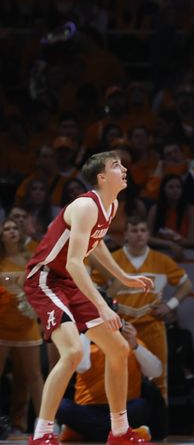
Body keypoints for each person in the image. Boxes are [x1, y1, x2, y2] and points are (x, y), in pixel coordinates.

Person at [22, 151, 155, 445]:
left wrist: (123, 277)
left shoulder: (112, 204)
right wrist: (102, 306)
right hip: (46, 279)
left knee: (119, 349)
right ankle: (42, 434)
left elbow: (94, 245)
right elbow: (72, 262)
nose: (123, 168)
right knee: (71, 353)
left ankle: (119, 432)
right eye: (116, 165)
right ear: (102, 177)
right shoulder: (84, 205)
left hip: (69, 280)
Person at [102, 217, 192, 401]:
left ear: (148, 234)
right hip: (120, 328)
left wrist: (170, 305)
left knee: (158, 378)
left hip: (153, 325)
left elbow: (186, 284)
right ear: (125, 234)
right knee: (119, 377)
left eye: (143, 230)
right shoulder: (111, 260)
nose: (139, 235)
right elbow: (95, 288)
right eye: (134, 231)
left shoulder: (161, 260)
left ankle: (159, 426)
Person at [57, 320, 162, 442]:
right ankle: (125, 434)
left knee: (141, 406)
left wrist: (135, 346)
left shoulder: (132, 345)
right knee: (62, 406)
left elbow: (156, 372)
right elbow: (81, 367)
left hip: (123, 410)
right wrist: (85, 331)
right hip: (88, 409)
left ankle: (83, 434)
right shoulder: (87, 344)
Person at [0, 218, 44, 433]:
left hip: (27, 323)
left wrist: (35, 307)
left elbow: (40, 289)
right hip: (2, 324)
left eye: (14, 228)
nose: (11, 232)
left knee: (34, 376)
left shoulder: (30, 259)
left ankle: (47, 424)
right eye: (6, 229)